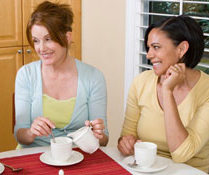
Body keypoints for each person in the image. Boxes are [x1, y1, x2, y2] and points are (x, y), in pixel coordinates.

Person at [117, 15, 209, 172]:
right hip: (146, 169)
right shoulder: (141, 83)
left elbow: (182, 154)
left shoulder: (206, 90)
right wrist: (124, 142)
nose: (148, 55)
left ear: (181, 49)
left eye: (156, 47)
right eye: (148, 48)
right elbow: (126, 135)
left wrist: (167, 91)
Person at [14, 1, 109, 148]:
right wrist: (31, 132)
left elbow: (104, 140)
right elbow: (20, 134)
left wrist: (99, 134)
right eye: (36, 41)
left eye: (48, 39)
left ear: (67, 37)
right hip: (33, 155)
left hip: (77, 156)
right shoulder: (26, 75)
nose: (41, 48)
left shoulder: (93, 77)